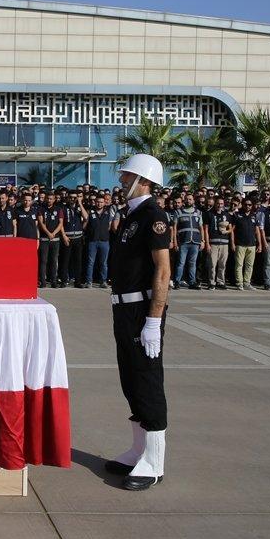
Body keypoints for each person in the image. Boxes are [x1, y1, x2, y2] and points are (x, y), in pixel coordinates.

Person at [104, 153, 171, 491]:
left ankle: (154, 462)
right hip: (123, 309)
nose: (121, 182)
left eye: (127, 177)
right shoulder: (131, 215)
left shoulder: (153, 216)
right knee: (130, 380)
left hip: (142, 310)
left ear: (144, 180)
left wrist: (153, 321)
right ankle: (138, 449)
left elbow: (162, 270)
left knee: (146, 381)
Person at [170, 193, 204, 290]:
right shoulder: (178, 212)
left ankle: (192, 282)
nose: (188, 201)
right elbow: (175, 228)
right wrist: (175, 242)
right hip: (183, 241)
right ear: (184, 200)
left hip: (195, 241)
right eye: (187, 199)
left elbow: (201, 227)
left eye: (190, 199)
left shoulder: (198, 212)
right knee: (181, 262)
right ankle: (177, 281)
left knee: (192, 263)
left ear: (193, 201)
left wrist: (203, 240)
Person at [230, 198, 262, 291]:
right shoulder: (237, 215)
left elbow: (257, 231)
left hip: (252, 244)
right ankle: (239, 283)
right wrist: (232, 243)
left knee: (249, 265)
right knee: (239, 265)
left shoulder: (254, 216)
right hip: (240, 244)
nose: (248, 206)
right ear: (242, 205)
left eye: (250, 205)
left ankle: (247, 283)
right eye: (246, 204)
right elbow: (232, 230)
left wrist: (259, 244)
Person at [202, 197, 230, 290]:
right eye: (218, 203)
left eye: (221, 204)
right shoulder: (209, 214)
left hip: (224, 243)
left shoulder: (226, 214)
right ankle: (211, 282)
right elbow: (205, 229)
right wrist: (207, 243)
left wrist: (227, 231)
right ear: (215, 203)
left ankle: (220, 282)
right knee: (212, 264)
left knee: (222, 264)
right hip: (213, 242)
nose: (219, 205)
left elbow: (231, 228)